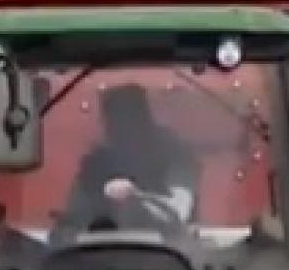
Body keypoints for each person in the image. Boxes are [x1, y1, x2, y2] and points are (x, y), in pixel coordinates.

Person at [58, 83, 199, 235]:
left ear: (142, 119)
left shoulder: (174, 155)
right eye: (110, 120)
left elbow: (178, 212)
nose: (113, 128)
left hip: (168, 252)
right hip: (105, 251)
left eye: (123, 119)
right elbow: (70, 221)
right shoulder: (95, 164)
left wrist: (135, 196)